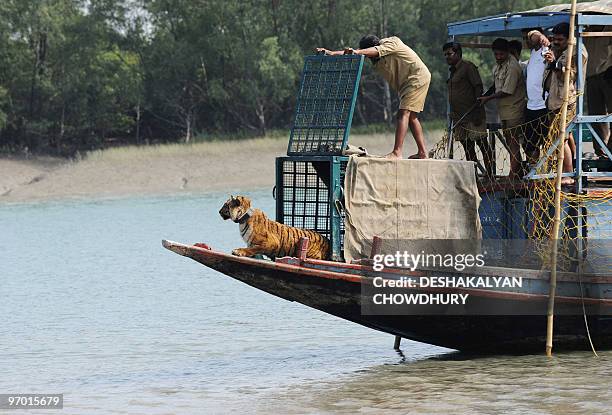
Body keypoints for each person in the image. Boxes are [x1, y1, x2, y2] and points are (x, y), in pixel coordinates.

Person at [316, 35, 431, 159]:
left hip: (416, 77)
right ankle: (423, 152)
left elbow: (374, 50)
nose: (369, 58)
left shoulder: (392, 42)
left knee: (403, 113)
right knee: (411, 117)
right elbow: (355, 53)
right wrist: (332, 53)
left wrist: (358, 51)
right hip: (408, 82)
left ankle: (397, 152)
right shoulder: (377, 55)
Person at [543, 22, 589, 185]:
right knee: (566, 137)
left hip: (567, 100)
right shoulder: (561, 50)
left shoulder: (576, 52)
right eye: (554, 39)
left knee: (560, 138)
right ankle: (573, 169)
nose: (556, 42)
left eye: (560, 39)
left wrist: (554, 62)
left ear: (569, 38)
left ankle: (568, 174)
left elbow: (568, 76)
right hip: (556, 99)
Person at [478, 38, 527, 179]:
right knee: (510, 141)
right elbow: (496, 85)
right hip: (504, 111)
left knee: (513, 143)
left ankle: (514, 174)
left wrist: (488, 99)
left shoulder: (513, 67)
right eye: (496, 54)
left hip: (514, 110)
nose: (498, 57)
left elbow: (506, 91)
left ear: (507, 52)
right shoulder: (499, 66)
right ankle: (516, 172)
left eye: (501, 54)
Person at [443, 41, 494, 176]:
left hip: (472, 115)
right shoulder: (453, 71)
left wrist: (477, 111)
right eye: (445, 55)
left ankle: (490, 175)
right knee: (468, 148)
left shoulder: (468, 67)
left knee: (482, 145)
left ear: (458, 53)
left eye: (449, 54)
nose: (447, 57)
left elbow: (478, 87)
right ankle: (474, 177)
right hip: (460, 118)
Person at [522, 29, 551, 164]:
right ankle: (534, 171)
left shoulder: (545, 49)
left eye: (527, 38)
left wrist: (541, 36)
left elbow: (535, 36)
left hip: (543, 105)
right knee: (529, 144)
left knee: (549, 142)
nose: (526, 41)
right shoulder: (533, 52)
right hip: (531, 106)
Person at [584, 25, 612, 157]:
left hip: (608, 74)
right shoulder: (585, 29)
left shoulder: (609, 26)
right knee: (595, 114)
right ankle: (601, 151)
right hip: (590, 75)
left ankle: (609, 149)